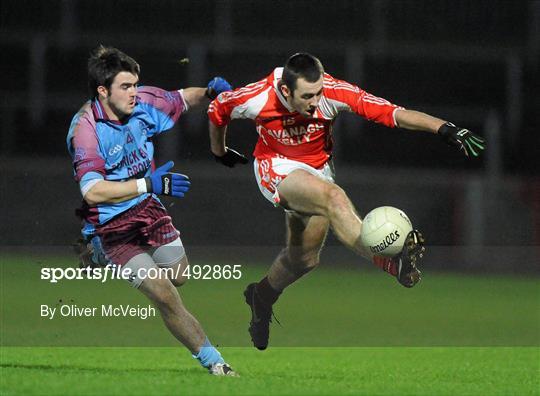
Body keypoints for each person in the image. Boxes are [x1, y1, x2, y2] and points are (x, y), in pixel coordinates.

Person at [207, 52, 485, 350]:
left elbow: (394, 114)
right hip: (276, 168)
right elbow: (217, 109)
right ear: (286, 91)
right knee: (334, 197)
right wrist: (220, 152)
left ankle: (260, 296)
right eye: (307, 96)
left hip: (317, 172)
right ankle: (393, 263)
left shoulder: (333, 91)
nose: (315, 102)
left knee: (304, 260)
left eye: (318, 93)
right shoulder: (258, 96)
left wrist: (445, 129)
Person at [66, 45, 237, 376]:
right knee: (165, 294)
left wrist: (211, 92)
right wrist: (149, 184)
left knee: (179, 275)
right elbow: (92, 192)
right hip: (110, 224)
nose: (134, 93)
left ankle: (97, 255)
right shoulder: (85, 130)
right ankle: (216, 363)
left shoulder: (143, 101)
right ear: (103, 91)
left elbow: (182, 99)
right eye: (125, 87)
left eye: (134, 85)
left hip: (147, 209)